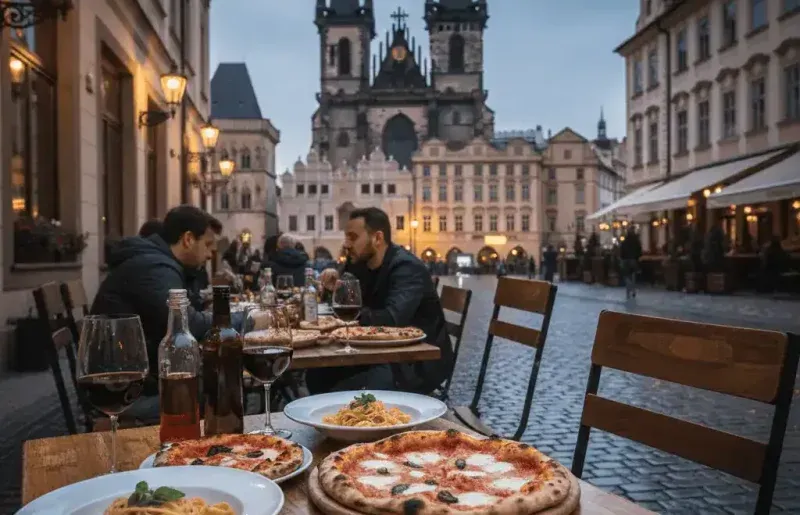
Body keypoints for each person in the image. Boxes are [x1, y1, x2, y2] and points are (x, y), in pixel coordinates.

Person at [90, 205, 228, 421]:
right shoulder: (154, 268)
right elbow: (188, 324)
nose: (211, 254)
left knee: (213, 379)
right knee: (217, 390)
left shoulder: (156, 262)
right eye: (208, 245)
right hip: (122, 392)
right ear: (188, 239)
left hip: (136, 377)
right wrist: (241, 319)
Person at [313, 207, 452, 395]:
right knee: (317, 375)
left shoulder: (407, 267)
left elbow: (392, 319)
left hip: (413, 364)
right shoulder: (360, 262)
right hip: (379, 353)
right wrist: (334, 285)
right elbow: (344, 292)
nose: (346, 244)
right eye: (346, 237)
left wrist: (351, 311)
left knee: (336, 389)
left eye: (353, 237)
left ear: (377, 238)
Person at [619, 226, 643, 299]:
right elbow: (639, 250)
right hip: (633, 259)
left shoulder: (625, 240)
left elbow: (622, 249)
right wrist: (638, 257)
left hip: (625, 259)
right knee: (633, 275)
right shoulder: (636, 240)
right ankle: (633, 290)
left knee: (626, 275)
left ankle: (628, 289)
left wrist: (622, 257)